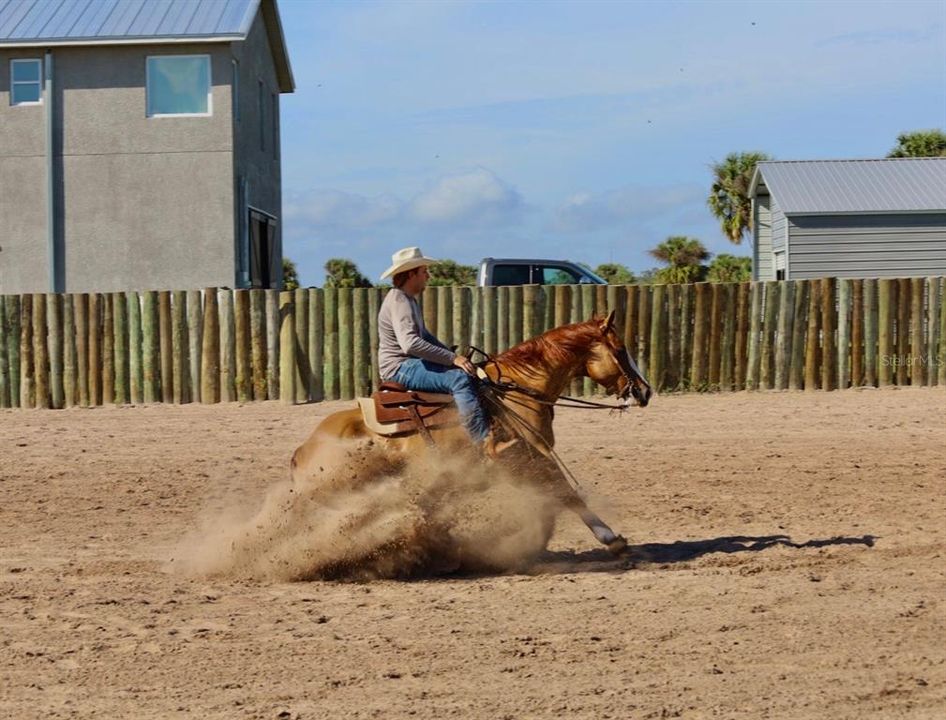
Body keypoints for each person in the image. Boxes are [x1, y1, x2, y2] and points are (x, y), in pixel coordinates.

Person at [378, 246, 501, 453]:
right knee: (459, 379)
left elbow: (425, 336)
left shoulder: (407, 299)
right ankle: (482, 443)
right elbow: (410, 343)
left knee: (465, 373)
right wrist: (453, 359)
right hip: (400, 367)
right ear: (411, 274)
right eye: (424, 271)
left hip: (408, 364)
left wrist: (457, 358)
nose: (428, 276)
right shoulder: (400, 301)